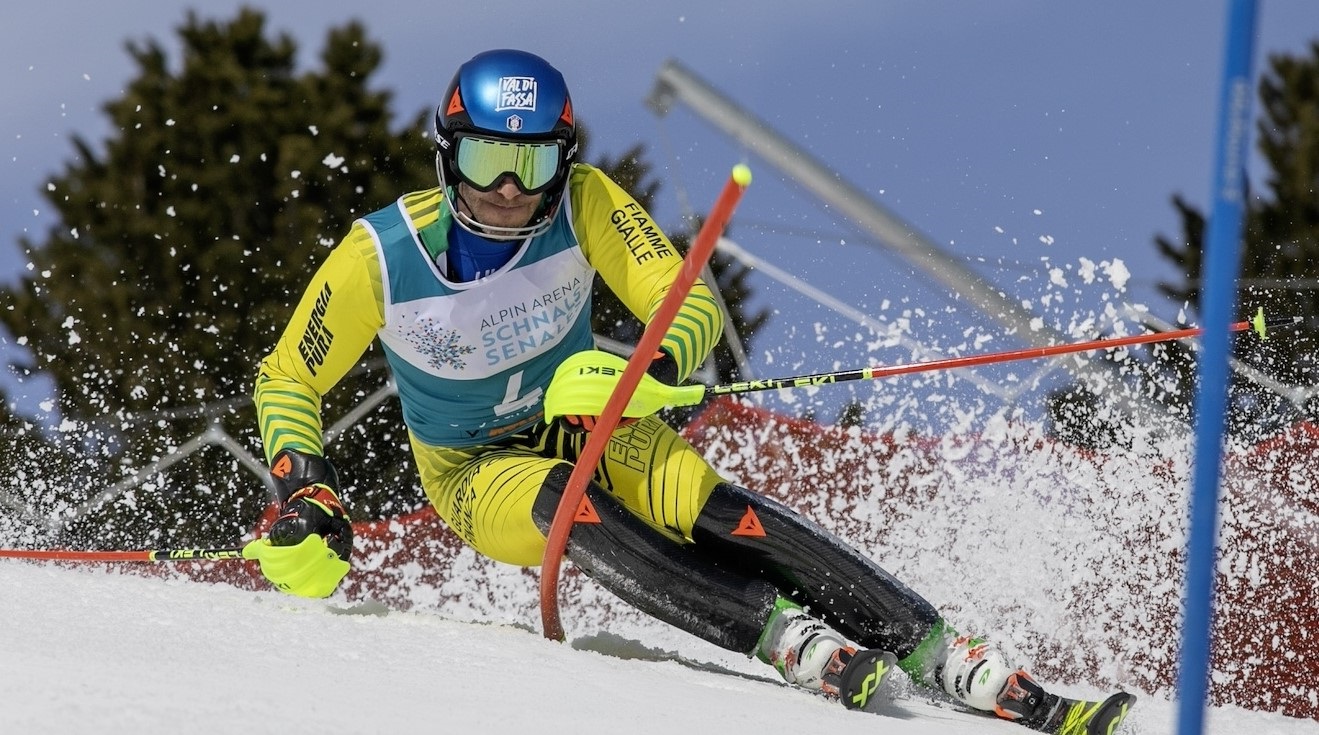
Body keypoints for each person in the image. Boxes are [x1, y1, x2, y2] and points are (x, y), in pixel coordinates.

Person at [244, 49, 1134, 734]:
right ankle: (777, 633)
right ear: (446, 157)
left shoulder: (583, 201)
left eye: (531, 163)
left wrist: (651, 374)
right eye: (482, 160)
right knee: (567, 504)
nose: (509, 190)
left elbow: (684, 300)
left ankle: (937, 647)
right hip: (477, 470)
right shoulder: (382, 256)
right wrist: (307, 484)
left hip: (587, 419)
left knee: (702, 503)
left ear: (563, 160)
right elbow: (288, 374)